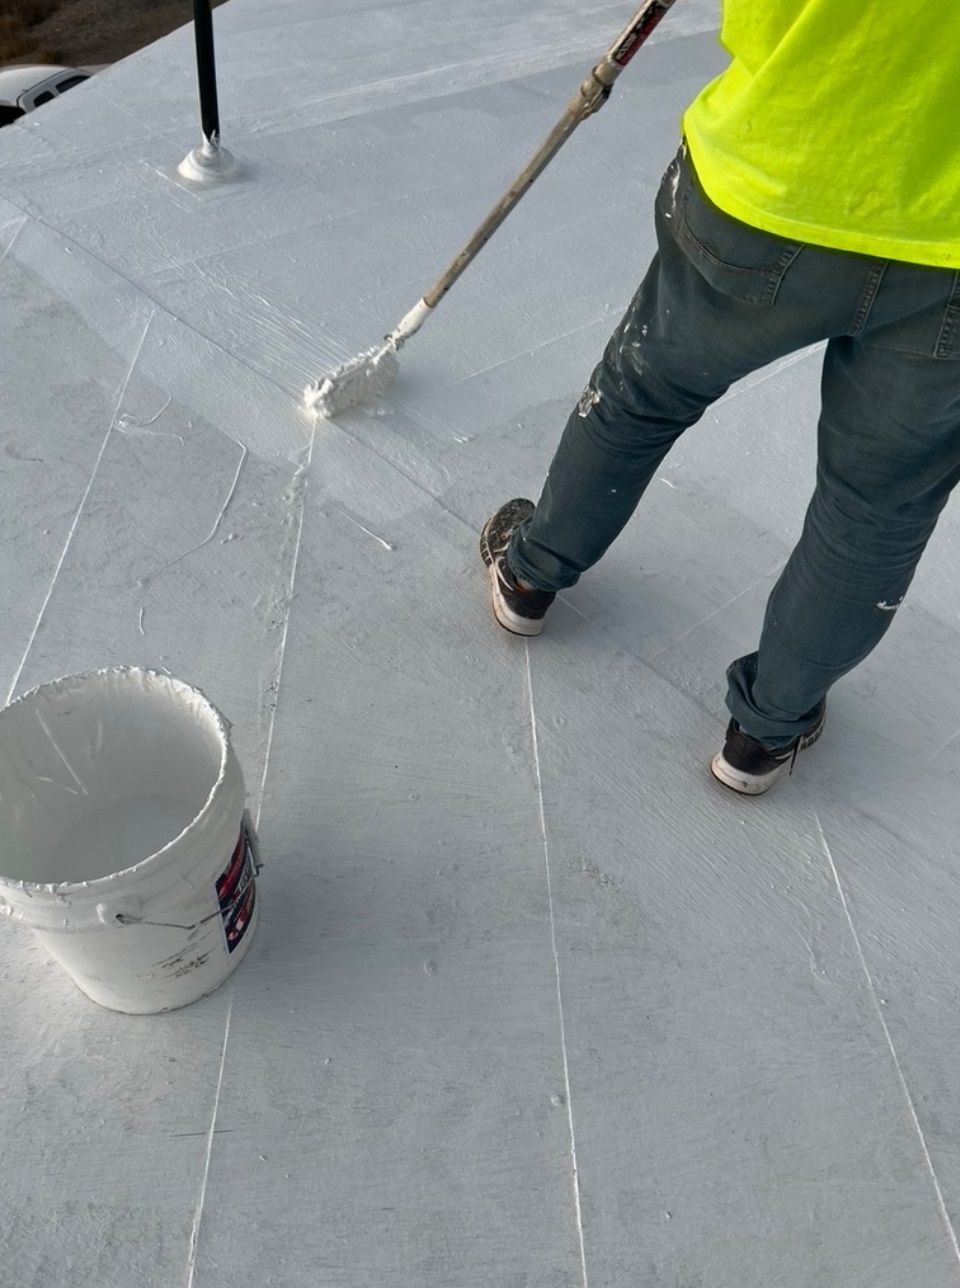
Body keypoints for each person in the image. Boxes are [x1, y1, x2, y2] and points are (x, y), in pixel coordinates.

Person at [480, 1, 960, 796]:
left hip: (774, 180)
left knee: (647, 389)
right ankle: (768, 730)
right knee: (880, 501)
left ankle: (533, 574)